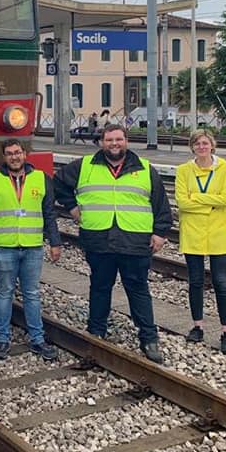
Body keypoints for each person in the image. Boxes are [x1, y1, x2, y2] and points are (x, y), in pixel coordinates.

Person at [53, 123, 172, 364]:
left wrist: (159, 233)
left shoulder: (145, 169)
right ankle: (96, 332)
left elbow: (161, 204)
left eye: (118, 139)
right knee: (99, 287)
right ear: (101, 143)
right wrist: (72, 207)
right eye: (109, 140)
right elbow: (56, 183)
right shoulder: (84, 166)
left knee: (138, 290)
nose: (114, 144)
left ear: (126, 141)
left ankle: (149, 338)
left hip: (134, 241)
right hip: (99, 239)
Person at [0, 138, 63, 362]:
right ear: (4, 157)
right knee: (5, 292)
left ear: (25, 154)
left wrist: (55, 242)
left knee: (32, 294)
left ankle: (37, 339)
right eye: (9, 153)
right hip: (3, 246)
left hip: (32, 246)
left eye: (17, 152)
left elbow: (49, 214)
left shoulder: (41, 179)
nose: (14, 157)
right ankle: (2, 340)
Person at [175, 130, 226, 354]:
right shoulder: (184, 171)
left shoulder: (225, 168)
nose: (201, 147)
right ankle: (197, 326)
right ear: (192, 147)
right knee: (195, 281)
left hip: (219, 233)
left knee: (221, 282)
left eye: (205, 143)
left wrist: (198, 199)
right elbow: (182, 202)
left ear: (212, 146)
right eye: (197, 144)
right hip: (193, 232)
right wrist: (212, 204)